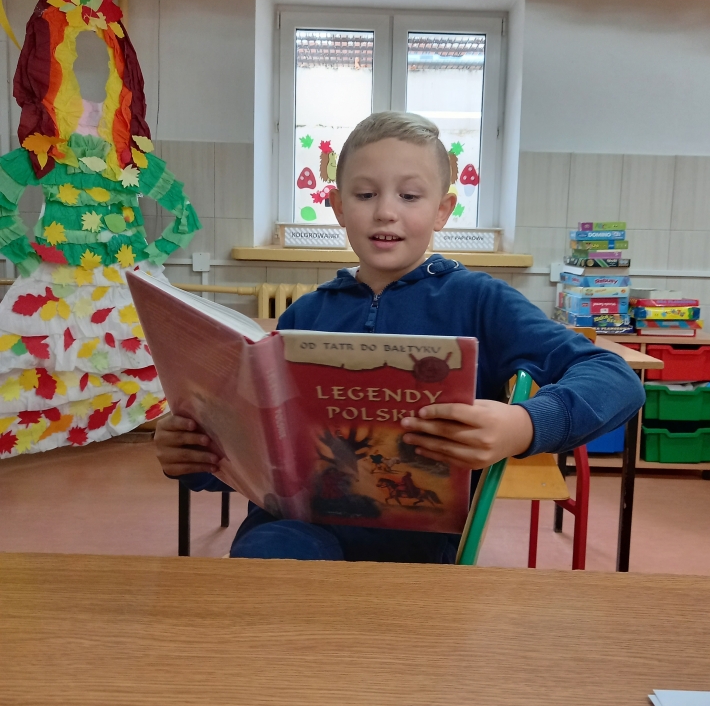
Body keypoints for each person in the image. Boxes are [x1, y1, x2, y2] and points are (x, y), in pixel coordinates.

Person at [155, 111, 644, 563]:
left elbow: (615, 378)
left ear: (442, 210)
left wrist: (523, 425)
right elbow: (260, 451)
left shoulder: (480, 301)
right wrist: (194, 453)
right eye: (365, 195)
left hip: (415, 548)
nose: (385, 212)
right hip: (291, 532)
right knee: (270, 567)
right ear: (338, 207)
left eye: (409, 196)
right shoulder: (306, 313)